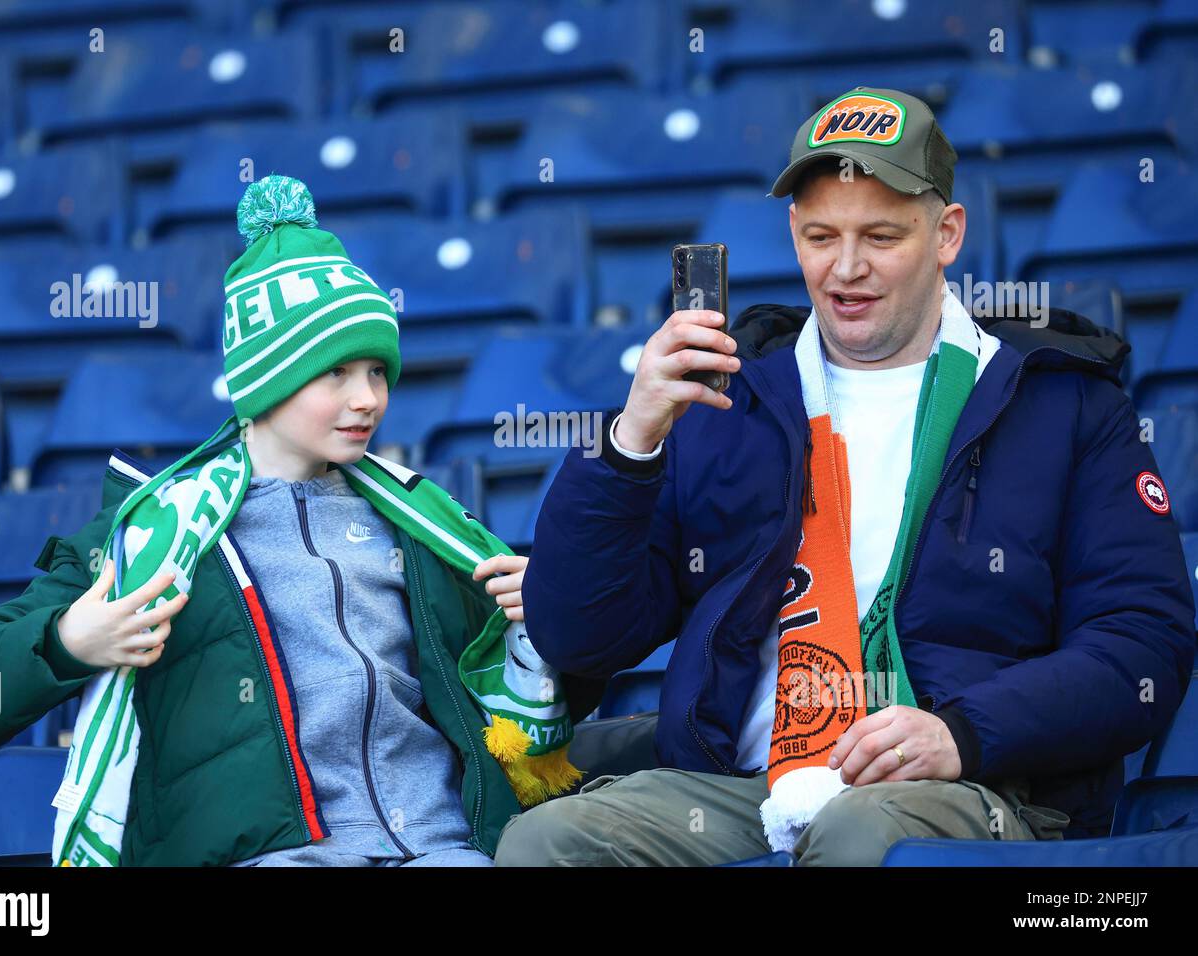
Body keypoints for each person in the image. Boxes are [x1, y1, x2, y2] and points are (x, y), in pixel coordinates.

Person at [495, 87, 1196, 866]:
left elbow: (1142, 644)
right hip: (752, 787)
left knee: (858, 832)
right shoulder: (728, 400)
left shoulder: (1065, 403)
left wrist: (962, 734)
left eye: (882, 236)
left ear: (948, 234)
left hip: (975, 785)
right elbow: (580, 636)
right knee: (546, 842)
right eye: (822, 236)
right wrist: (629, 441)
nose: (847, 268)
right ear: (794, 234)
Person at [0, 174, 599, 867]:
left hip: (439, 846)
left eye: (378, 371)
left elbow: (548, 701)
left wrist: (550, 621)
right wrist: (72, 639)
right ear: (270, 378)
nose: (368, 398)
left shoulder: (423, 521)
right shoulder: (152, 532)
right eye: (337, 372)